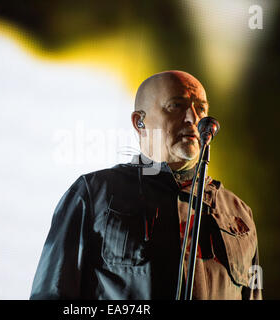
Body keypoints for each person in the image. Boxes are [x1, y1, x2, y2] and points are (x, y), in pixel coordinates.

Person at [29, 70, 262, 300]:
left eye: (201, 108)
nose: (193, 118)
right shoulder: (93, 193)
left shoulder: (238, 213)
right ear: (139, 122)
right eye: (176, 105)